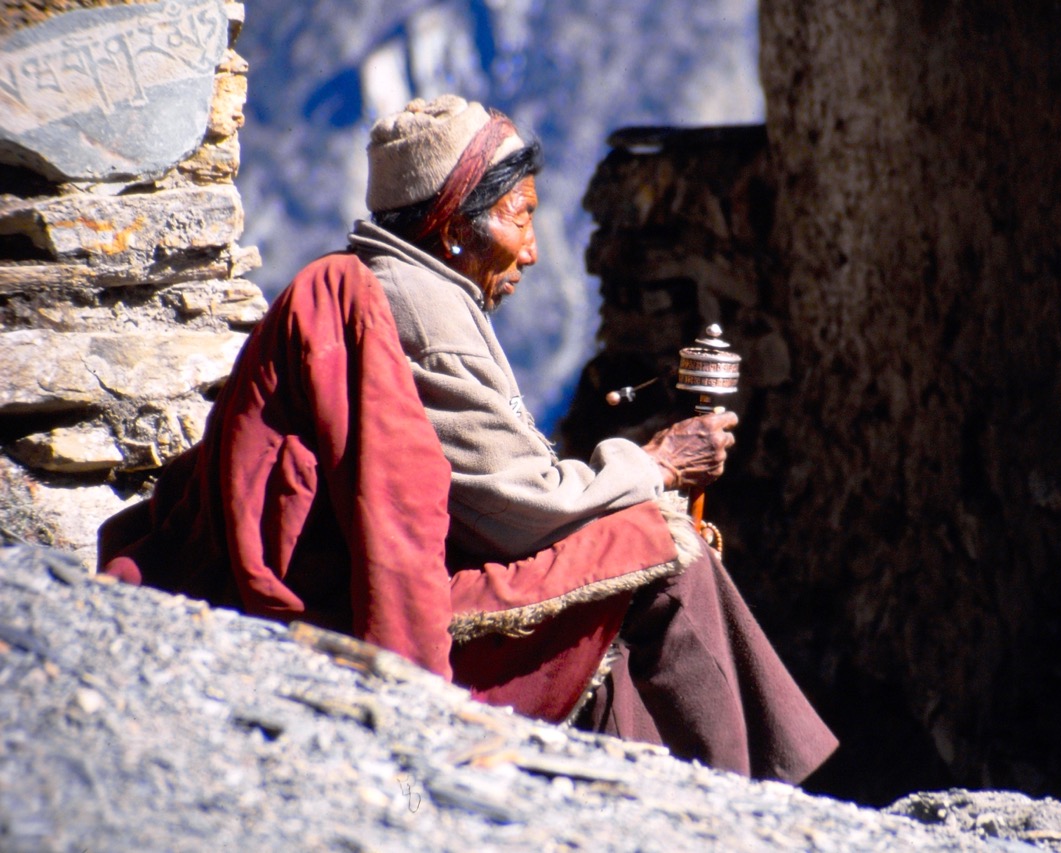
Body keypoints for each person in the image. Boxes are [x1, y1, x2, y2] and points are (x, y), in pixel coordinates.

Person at [100, 94, 836, 784]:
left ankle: (665, 795)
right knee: (664, 550)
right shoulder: (426, 318)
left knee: (635, 541)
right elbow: (525, 508)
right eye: (520, 218)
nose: (534, 252)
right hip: (365, 609)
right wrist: (653, 465)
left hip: (380, 570)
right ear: (455, 228)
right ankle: (751, 799)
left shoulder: (401, 282)